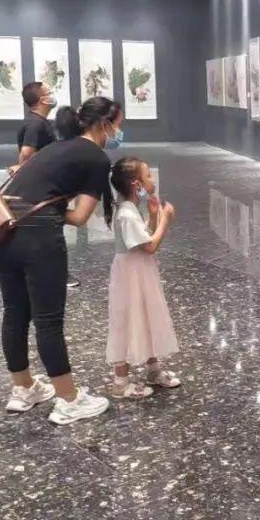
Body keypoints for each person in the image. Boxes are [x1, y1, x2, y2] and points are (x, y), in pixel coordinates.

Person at [0, 96, 124, 425]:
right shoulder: (96, 158)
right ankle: (68, 399)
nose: (119, 132)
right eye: (118, 125)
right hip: (39, 239)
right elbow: (79, 217)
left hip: (3, 230)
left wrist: (38, 208)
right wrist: (49, 212)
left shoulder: (55, 147)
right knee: (48, 320)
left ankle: (23, 389)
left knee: (15, 312)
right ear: (104, 125)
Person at [105, 156, 181, 397]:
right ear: (136, 184)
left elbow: (144, 237)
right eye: (148, 175)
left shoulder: (130, 210)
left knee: (147, 316)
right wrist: (165, 221)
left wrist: (153, 215)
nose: (152, 179)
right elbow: (149, 246)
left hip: (140, 273)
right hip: (131, 276)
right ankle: (120, 382)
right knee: (126, 321)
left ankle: (153, 369)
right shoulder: (126, 214)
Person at [14, 82, 81, 289]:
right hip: (42, 189)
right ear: (42, 100)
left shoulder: (39, 122)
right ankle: (59, 275)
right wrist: (25, 172)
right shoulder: (36, 124)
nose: (52, 95)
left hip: (41, 186)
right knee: (50, 232)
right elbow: (27, 153)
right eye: (48, 93)